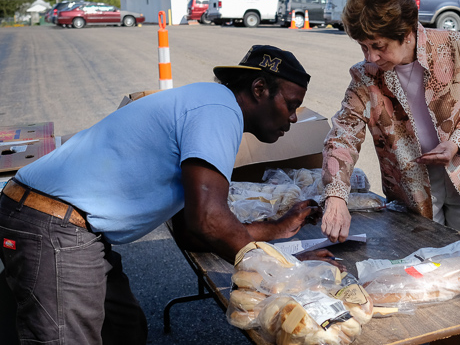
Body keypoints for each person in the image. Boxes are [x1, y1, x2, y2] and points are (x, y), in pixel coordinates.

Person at [0, 45, 339, 345]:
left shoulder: (208, 103)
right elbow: (209, 222)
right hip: (52, 225)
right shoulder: (218, 111)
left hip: (61, 222)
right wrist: (285, 271)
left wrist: (276, 229)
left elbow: (193, 231)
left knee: (123, 328)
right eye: (291, 105)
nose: (294, 118)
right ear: (260, 88)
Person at [320, 0, 460, 243]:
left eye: (379, 47)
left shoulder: (453, 46)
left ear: (406, 34)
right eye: (363, 47)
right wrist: (336, 195)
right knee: (428, 268)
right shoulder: (365, 76)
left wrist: (456, 142)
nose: (370, 57)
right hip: (412, 189)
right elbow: (343, 134)